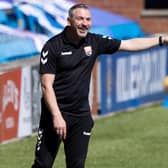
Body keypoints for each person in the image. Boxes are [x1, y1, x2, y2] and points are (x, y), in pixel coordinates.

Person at [31, 3, 168, 168]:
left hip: (80, 117)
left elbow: (129, 44)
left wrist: (161, 40)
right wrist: (56, 116)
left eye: (88, 19)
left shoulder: (94, 41)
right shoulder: (52, 46)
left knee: (77, 166)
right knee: (42, 165)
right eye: (80, 19)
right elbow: (46, 85)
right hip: (54, 116)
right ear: (69, 21)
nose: (85, 23)